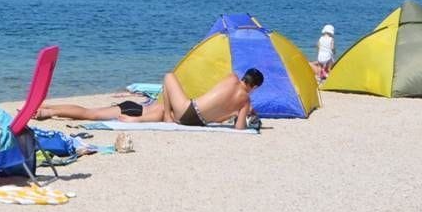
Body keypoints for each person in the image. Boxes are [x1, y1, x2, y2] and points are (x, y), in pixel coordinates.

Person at [40, 67, 262, 129]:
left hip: (139, 108)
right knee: (90, 113)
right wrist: (245, 110)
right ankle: (48, 110)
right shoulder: (243, 101)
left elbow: (219, 106)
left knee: (90, 113)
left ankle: (48, 109)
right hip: (139, 111)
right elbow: (237, 127)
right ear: (254, 87)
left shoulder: (232, 79)